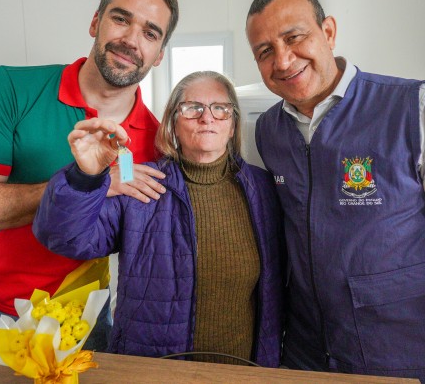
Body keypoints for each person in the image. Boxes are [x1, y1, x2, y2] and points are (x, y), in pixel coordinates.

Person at [245, 0, 425, 383]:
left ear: (328, 31)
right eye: (265, 51)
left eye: (294, 37)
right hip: (306, 355)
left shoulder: (417, 107)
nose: (284, 59)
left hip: (406, 354)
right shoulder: (267, 131)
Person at [0, 0, 179, 349]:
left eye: (150, 33)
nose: (131, 40)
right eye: (120, 18)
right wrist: (90, 185)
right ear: (96, 22)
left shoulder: (157, 141)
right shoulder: (9, 89)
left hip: (87, 318)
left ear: (159, 54)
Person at [32, 71, 284, 367]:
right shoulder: (141, 182)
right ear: (173, 123)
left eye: (221, 108)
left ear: (232, 126)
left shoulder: (263, 189)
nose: (207, 118)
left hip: (241, 370)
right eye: (193, 108)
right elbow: (66, 240)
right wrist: (86, 177)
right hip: (153, 368)